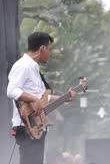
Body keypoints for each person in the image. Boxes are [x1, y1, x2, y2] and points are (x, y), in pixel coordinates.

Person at [7, 32, 77, 164]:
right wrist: (34, 99)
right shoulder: (23, 66)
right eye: (49, 49)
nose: (49, 53)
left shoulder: (34, 68)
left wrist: (66, 97)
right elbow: (11, 90)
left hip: (37, 127)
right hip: (27, 126)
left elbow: (43, 98)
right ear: (42, 49)